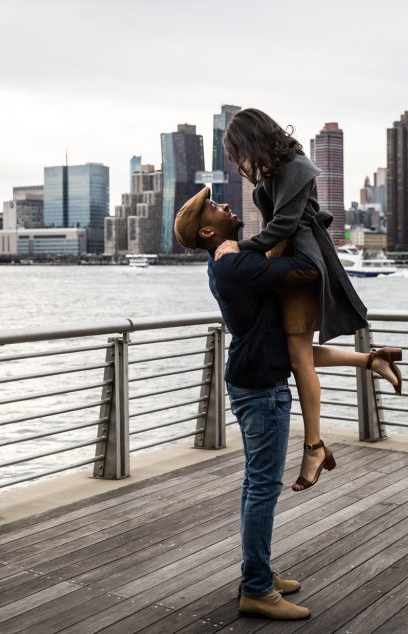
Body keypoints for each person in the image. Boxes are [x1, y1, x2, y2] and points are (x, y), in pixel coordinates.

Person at [217, 108, 403, 491]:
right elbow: (286, 224)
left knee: (299, 359)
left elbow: (284, 226)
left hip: (302, 264)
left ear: (252, 140)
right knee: (292, 352)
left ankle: (314, 446)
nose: (241, 164)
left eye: (239, 153)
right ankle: (372, 360)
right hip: (288, 262)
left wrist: (241, 248)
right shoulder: (276, 170)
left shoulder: (294, 165)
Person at [174, 185, 312, 619]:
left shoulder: (229, 262)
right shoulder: (235, 265)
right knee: (264, 488)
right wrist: (297, 226)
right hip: (262, 387)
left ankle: (259, 572)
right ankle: (255, 588)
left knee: (256, 485)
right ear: (208, 231)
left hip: (254, 381)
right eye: (215, 207)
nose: (226, 205)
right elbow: (305, 267)